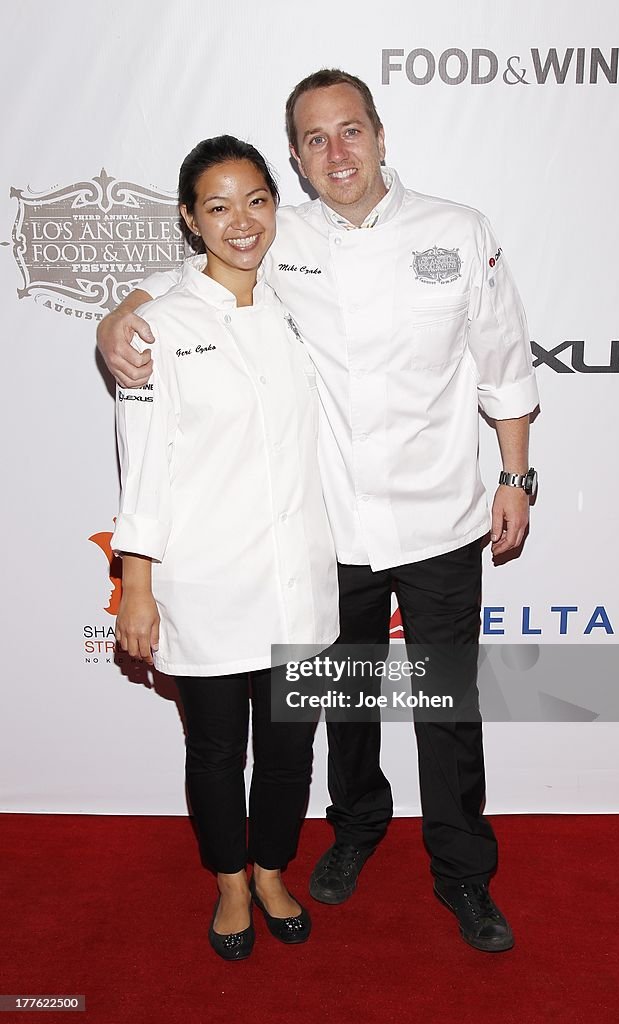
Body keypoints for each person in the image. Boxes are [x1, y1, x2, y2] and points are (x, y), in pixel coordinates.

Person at [99, 70, 540, 954]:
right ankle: (353, 832)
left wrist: (515, 477)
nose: (335, 152)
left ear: (379, 134)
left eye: (349, 131)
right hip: (329, 530)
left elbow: (503, 361)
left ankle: (462, 872)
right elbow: (192, 271)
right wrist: (120, 313)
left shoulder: (457, 230)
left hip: (440, 521)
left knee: (446, 708)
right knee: (342, 704)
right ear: (296, 158)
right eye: (313, 139)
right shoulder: (276, 229)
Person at [111, 134, 339, 961]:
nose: (241, 222)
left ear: (276, 207)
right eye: (218, 206)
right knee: (215, 753)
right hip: (202, 581)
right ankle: (230, 884)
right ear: (189, 219)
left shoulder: (298, 303)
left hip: (298, 582)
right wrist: (137, 587)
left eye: (256, 201)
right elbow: (142, 471)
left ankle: (273, 867)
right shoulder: (157, 329)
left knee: (287, 751)